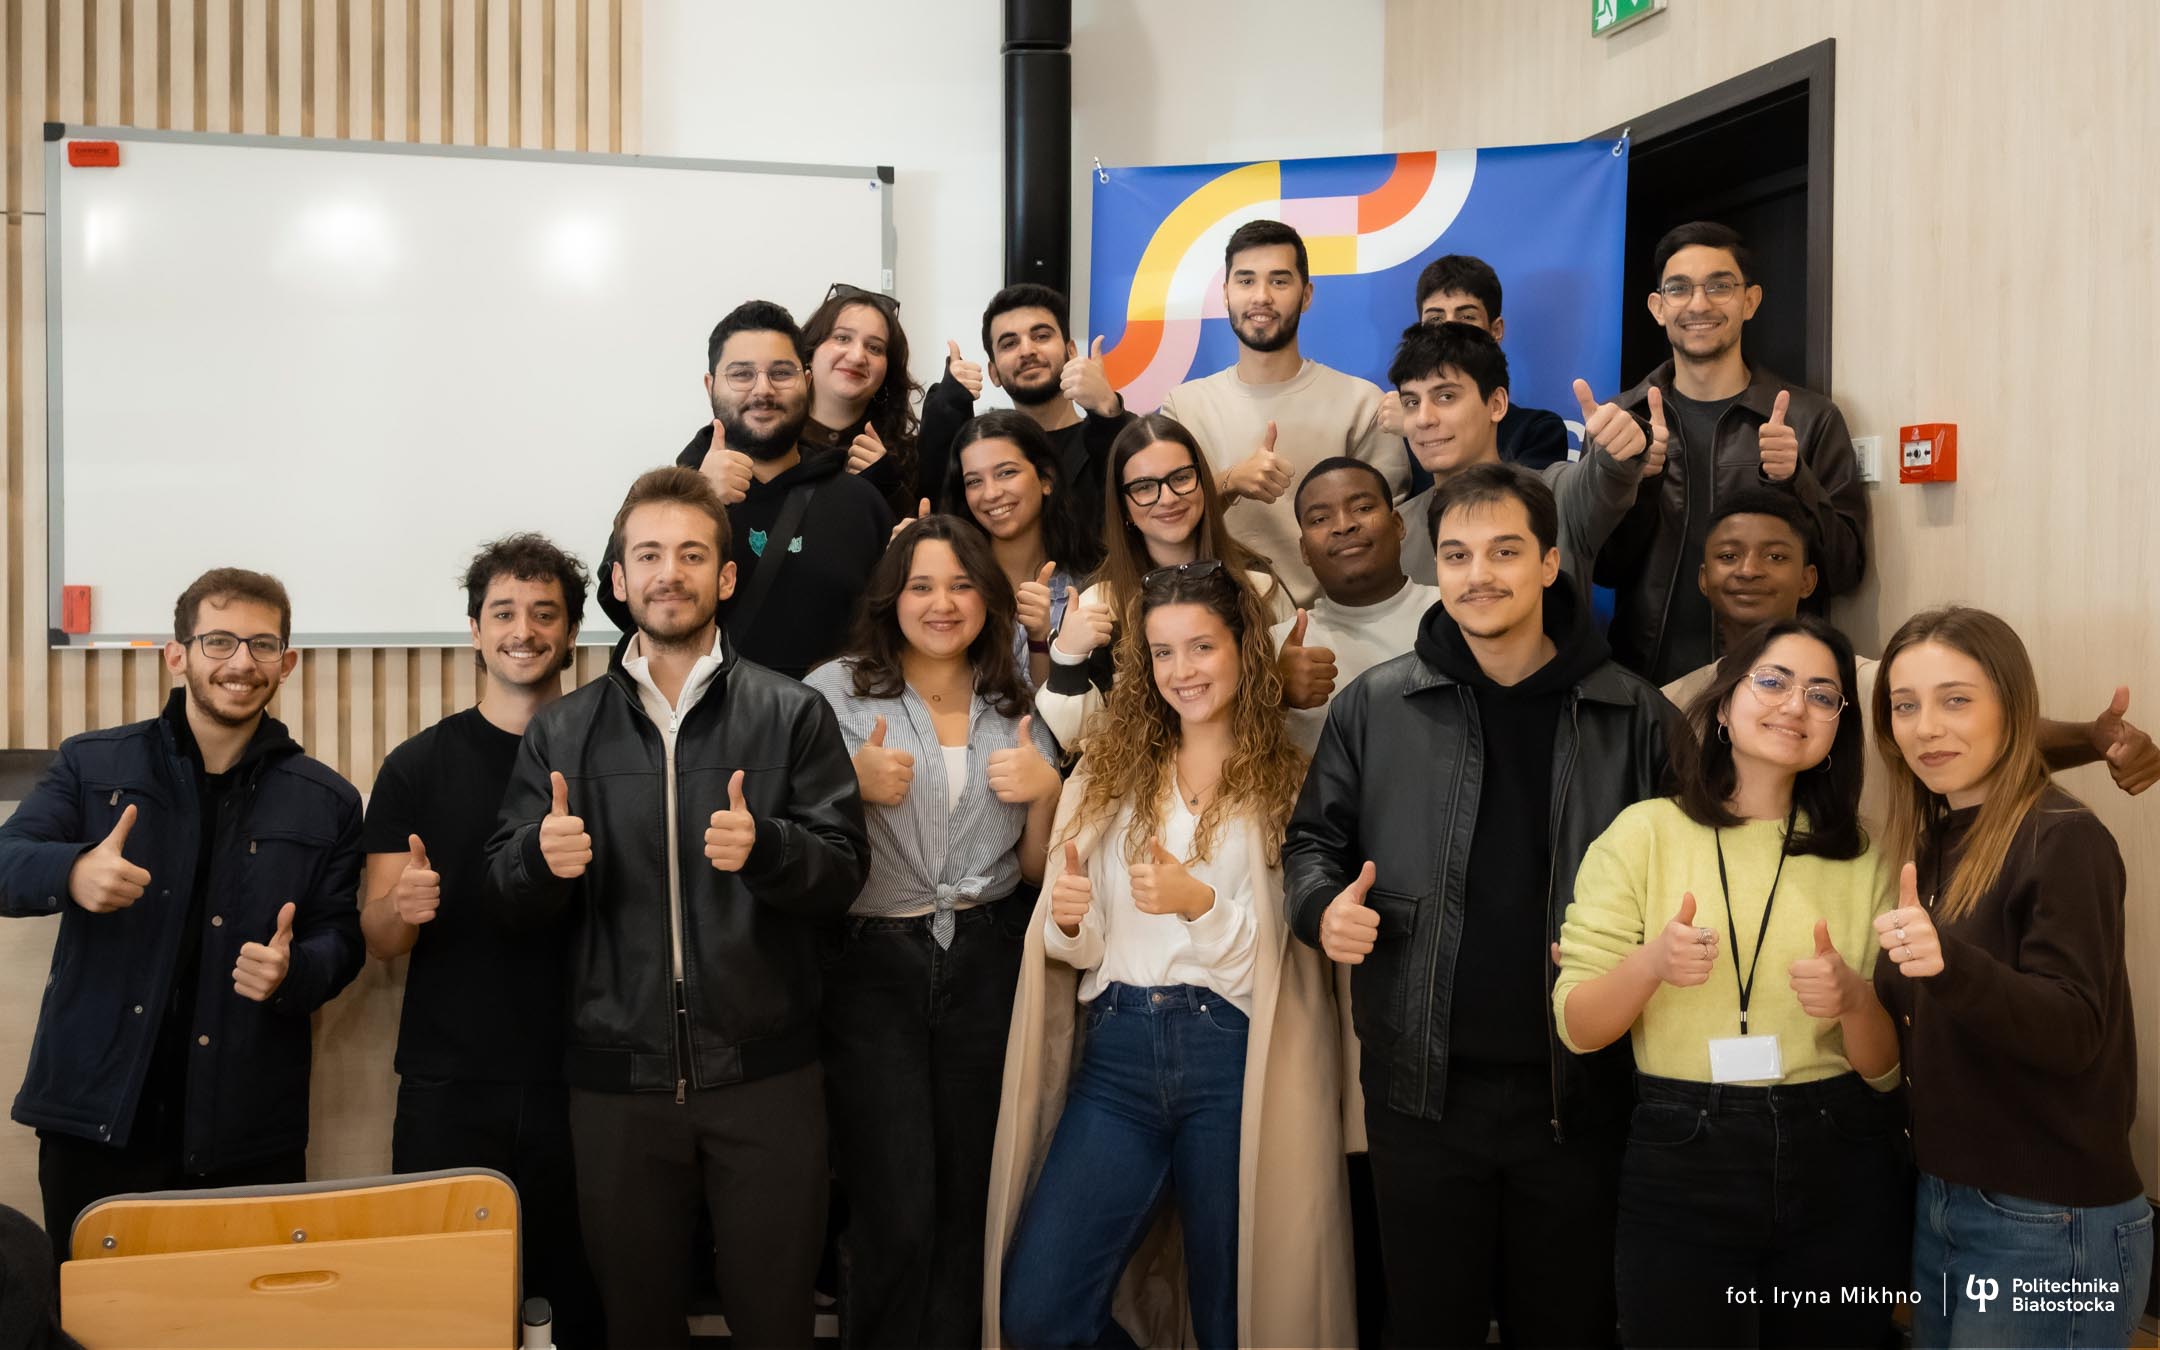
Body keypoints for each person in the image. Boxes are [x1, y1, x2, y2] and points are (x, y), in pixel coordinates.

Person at [1284, 465, 1673, 1347]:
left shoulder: (1634, 715)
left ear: (1549, 563)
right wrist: (1322, 910)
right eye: (1456, 555)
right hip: (1420, 1089)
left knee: (1569, 1327)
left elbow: (1686, 871)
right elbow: (1310, 844)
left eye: (1504, 552)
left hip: (1581, 1092)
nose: (1478, 575)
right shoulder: (1375, 704)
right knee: (1430, 1326)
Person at [486, 467, 870, 1349]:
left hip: (768, 1080)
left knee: (776, 1323)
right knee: (638, 1325)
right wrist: (540, 863)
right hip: (618, 1086)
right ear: (620, 580)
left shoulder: (793, 712)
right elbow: (503, 890)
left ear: (725, 577)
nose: (670, 573)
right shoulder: (562, 729)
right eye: (650, 555)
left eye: (692, 555)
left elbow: (844, 873)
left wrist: (768, 848)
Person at [988, 562, 1353, 1349]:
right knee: (1037, 1312)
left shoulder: (1291, 781)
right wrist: (1069, 920)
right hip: (1116, 1056)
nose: (1182, 670)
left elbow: (1285, 966)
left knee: (1237, 1318)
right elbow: (1080, 945)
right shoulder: (1109, 773)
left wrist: (1201, 905)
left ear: (1243, 649)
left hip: (1234, 1059)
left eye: (1202, 647)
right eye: (1162, 652)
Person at [1556, 615, 1909, 1348]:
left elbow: (1885, 1072)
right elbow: (1580, 1029)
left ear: (1838, 729)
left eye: (1823, 695)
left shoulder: (1864, 856)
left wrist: (1853, 999)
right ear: (1723, 707)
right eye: (1773, 682)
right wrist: (1651, 965)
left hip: (1839, 1148)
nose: (1796, 705)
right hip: (1683, 1149)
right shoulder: (1642, 834)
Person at [0, 569, 364, 1267]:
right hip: (97, 1120)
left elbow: (341, 939)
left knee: (240, 1317)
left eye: (262, 645)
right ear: (178, 655)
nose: (240, 662)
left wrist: (295, 971)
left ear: (286, 662)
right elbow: (6, 860)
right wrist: (72, 871)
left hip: (246, 1129)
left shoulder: (328, 800)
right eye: (219, 641)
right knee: (94, 1314)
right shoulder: (91, 763)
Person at [804, 516, 1063, 1348]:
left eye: (960, 585)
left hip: (988, 957)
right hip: (871, 962)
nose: (942, 604)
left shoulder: (1014, 698)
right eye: (921, 585)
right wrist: (845, 780)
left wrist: (1048, 793)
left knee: (972, 1195)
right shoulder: (834, 691)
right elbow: (790, 829)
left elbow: (1034, 868)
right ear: (892, 597)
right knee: (894, 1200)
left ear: (987, 599)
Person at [1872, 607, 2151, 1350]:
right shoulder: (1935, 837)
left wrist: (1950, 964)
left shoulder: (2063, 839)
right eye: (1905, 705)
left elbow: (2074, 1029)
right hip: (1944, 1200)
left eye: (1956, 700)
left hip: (2047, 1219)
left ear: (2013, 708)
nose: (1927, 728)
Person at [358, 534, 600, 1346]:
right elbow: (379, 939)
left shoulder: (613, 754)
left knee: (583, 1308)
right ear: (474, 629)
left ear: (573, 632)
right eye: (503, 613)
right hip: (450, 1082)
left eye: (544, 614)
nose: (523, 631)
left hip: (590, 1079)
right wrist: (403, 907)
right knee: (447, 1312)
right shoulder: (417, 765)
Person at [1664, 491, 2160, 827]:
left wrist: (2094, 740)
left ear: (1809, 579)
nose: (1749, 571)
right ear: (1704, 579)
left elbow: (1986, 739)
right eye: (1728, 557)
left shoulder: (1874, 684)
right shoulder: (1672, 702)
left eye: (1775, 557)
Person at [1599, 221, 1869, 684]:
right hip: (1646, 682)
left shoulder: (1810, 419)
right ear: (1658, 308)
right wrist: (1637, 483)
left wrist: (1795, 479)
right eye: (1679, 289)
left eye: (1719, 286)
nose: (1698, 304)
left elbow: (1845, 570)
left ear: (1750, 301)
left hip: (1773, 684)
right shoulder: (1622, 423)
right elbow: (1603, 568)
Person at [597, 299, 894, 678]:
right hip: (699, 711)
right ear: (711, 386)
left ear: (807, 382)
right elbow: (618, 598)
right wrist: (699, 497)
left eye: (781, 373)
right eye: (741, 374)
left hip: (831, 712)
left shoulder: (860, 503)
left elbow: (888, 631)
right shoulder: (663, 498)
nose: (763, 390)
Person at [1159, 218, 1408, 607]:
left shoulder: (1361, 402)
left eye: (1279, 281)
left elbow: (1389, 537)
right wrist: (1229, 482)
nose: (1261, 297)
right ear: (1225, 294)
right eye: (1246, 281)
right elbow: (1160, 524)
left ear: (1306, 295)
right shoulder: (1183, 406)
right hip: (1216, 621)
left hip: (1338, 625)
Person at [1035, 414, 1289, 752]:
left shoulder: (1257, 585)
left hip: (1250, 772)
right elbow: (1075, 739)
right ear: (1124, 507)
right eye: (1144, 487)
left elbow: (1290, 717)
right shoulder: (1098, 603)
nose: (1167, 498)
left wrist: (1290, 683)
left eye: (1181, 478)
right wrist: (1067, 656)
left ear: (1203, 483)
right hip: (1137, 782)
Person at [1391, 321, 1650, 591]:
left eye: (1445, 396)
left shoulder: (1558, 494)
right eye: (1411, 402)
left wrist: (1626, 437)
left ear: (1497, 404)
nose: (1424, 419)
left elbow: (1610, 471)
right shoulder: (1397, 530)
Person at [917, 283, 1134, 522]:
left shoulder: (1110, 434)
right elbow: (938, 501)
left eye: (1041, 336)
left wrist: (1107, 409)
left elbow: (1138, 492)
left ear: (1071, 351)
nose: (1027, 351)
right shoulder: (982, 454)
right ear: (993, 372)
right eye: (1009, 344)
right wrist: (948, 406)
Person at [1271, 457, 1438, 757]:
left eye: (1362, 508)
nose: (1344, 526)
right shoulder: (1278, 647)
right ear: (1304, 550)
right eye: (1320, 519)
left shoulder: (1453, 614)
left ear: (1398, 524)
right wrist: (1275, 695)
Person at [943, 410, 1105, 688]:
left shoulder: (1091, 586)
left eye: (1006, 473)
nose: (991, 493)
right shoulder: (950, 584)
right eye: (974, 481)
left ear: (1046, 479)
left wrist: (1041, 638)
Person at [1379, 254, 1572, 471]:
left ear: (1496, 330)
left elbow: (1517, 491)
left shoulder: (1537, 430)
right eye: (1435, 320)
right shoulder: (1398, 425)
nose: (1449, 329)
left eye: (1467, 317)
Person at [799, 281, 924, 519]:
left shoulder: (907, 457)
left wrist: (889, 488)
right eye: (842, 338)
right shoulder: (773, 437)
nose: (857, 357)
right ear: (810, 352)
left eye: (874, 348)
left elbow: (921, 535)